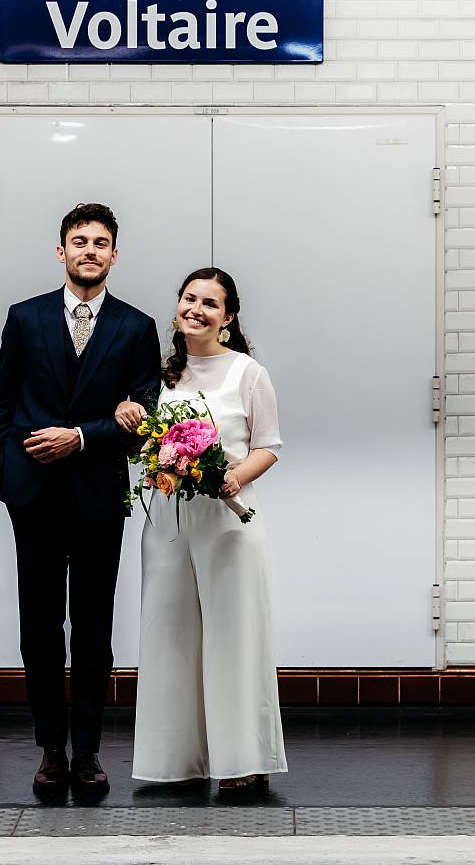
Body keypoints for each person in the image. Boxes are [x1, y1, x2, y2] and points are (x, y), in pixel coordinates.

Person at [0, 202, 161, 800]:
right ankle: (49, 751)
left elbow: (145, 419)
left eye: (101, 242)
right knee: (38, 628)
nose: (89, 250)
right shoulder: (26, 317)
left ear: (115, 254)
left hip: (96, 498)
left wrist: (82, 436)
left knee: (92, 629)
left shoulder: (135, 328)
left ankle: (87, 753)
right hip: (32, 496)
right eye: (79, 240)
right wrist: (5, 476)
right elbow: (3, 403)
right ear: (60, 251)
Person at [116, 267, 287, 793]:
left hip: (227, 521)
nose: (197, 309)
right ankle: (174, 760)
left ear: (228, 318)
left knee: (233, 637)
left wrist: (232, 477)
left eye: (210, 303)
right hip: (167, 520)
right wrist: (128, 416)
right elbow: (142, 441)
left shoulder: (247, 373)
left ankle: (242, 760)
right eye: (189, 298)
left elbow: (269, 446)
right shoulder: (160, 376)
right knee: (169, 635)